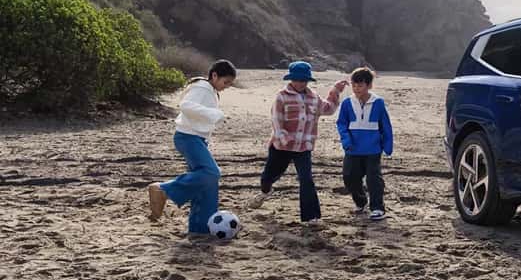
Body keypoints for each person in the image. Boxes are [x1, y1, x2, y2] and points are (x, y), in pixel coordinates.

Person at [147, 60, 238, 240]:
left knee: (207, 184)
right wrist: (215, 115)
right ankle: (164, 189)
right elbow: (186, 106)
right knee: (212, 173)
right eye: (225, 82)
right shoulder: (202, 87)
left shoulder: (208, 89)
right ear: (214, 75)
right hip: (187, 138)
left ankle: (199, 229)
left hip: (196, 139)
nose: (226, 87)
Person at [247, 61, 347, 223]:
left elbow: (328, 109)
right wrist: (282, 136)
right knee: (268, 177)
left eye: (304, 80)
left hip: (303, 147)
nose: (301, 83)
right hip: (281, 146)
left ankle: (311, 217)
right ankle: (265, 191)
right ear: (291, 79)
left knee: (306, 179)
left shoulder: (314, 97)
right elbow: (276, 119)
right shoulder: (282, 96)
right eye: (298, 80)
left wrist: (335, 91)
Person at [336, 67, 394, 221]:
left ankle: (377, 208)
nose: (356, 89)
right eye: (354, 85)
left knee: (373, 179)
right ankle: (361, 202)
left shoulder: (378, 103)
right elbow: (341, 124)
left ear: (369, 85)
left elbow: (385, 125)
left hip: (373, 149)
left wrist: (388, 145)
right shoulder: (347, 103)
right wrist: (346, 141)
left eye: (360, 85)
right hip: (352, 148)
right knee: (349, 177)